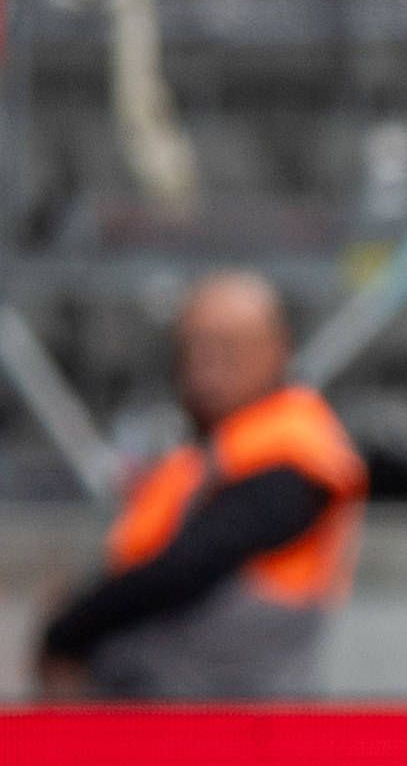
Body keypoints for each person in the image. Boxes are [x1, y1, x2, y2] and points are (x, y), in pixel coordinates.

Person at [35, 270, 365, 699]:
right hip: (150, 704)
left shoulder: (297, 450)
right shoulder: (205, 454)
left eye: (228, 346)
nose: (204, 363)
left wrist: (66, 632)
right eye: (192, 345)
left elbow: (192, 563)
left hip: (236, 717)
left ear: (278, 349)